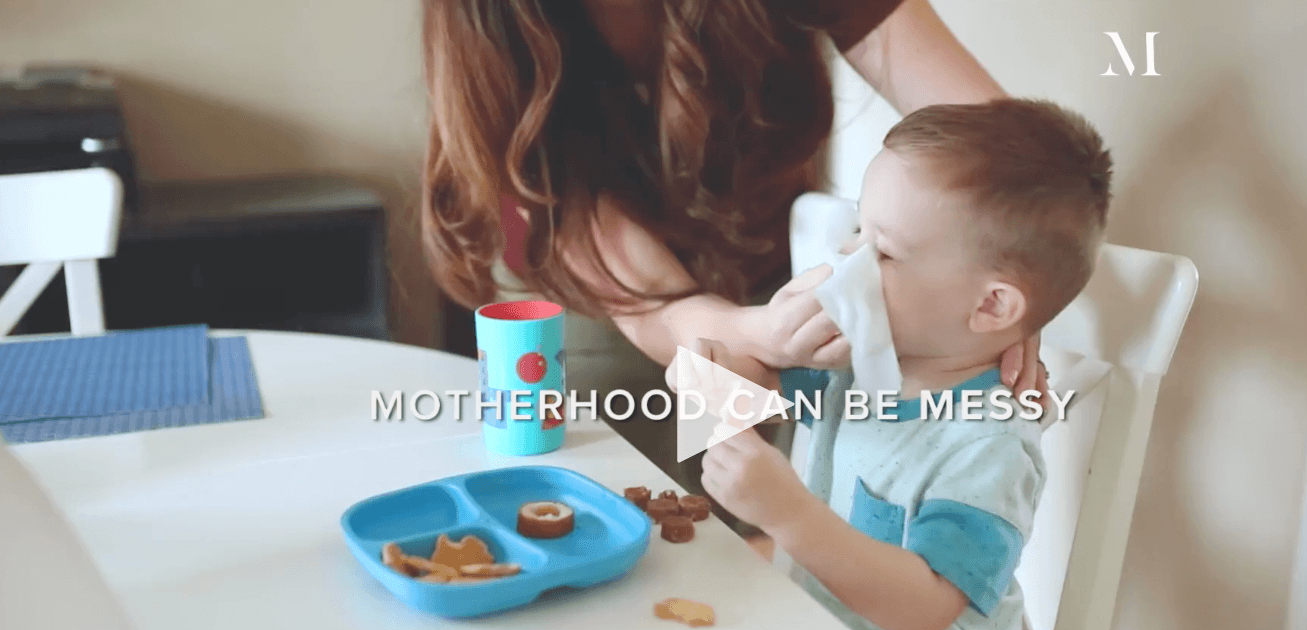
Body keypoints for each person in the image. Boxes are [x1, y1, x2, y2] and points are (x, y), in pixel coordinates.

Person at [418, 1, 1049, 537]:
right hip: (576, 276)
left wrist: (1011, 245)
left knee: (729, 524)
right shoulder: (491, 34)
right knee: (605, 515)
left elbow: (1003, 151)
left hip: (751, 258)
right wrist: (757, 338)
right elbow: (648, 304)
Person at [689, 99, 1113, 630]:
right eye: (857, 231)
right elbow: (756, 381)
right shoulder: (861, 364)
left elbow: (926, 610)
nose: (846, 258)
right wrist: (719, 365)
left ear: (991, 306)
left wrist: (788, 513)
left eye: (882, 251)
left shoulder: (991, 443)